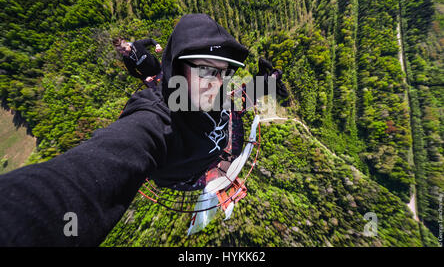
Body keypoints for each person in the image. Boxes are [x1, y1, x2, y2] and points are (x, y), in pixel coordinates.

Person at [0, 14, 286, 246]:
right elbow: (87, 175)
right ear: (178, 67)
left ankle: (267, 79)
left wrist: (264, 82)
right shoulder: (157, 119)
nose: (218, 81)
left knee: (235, 104)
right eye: (207, 70)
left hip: (214, 143)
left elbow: (235, 101)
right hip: (191, 172)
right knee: (226, 112)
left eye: (223, 72)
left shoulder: (210, 93)